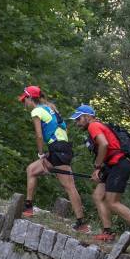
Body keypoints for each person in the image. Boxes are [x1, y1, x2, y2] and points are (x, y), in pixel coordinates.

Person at [69, 104, 130, 249]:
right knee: (97, 196)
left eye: (79, 119)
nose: (77, 123)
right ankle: (108, 232)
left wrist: (97, 167)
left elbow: (104, 145)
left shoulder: (93, 126)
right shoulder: (98, 126)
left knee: (112, 202)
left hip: (119, 165)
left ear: (88, 117)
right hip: (112, 166)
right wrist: (101, 169)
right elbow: (107, 149)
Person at [18, 85, 90, 233]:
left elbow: (39, 135)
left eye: (24, 99)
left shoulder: (37, 111)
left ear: (31, 98)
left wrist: (40, 153)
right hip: (62, 148)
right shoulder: (50, 108)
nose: (24, 103)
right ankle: (28, 207)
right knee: (32, 170)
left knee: (69, 186)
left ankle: (81, 224)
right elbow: (63, 129)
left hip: (58, 149)